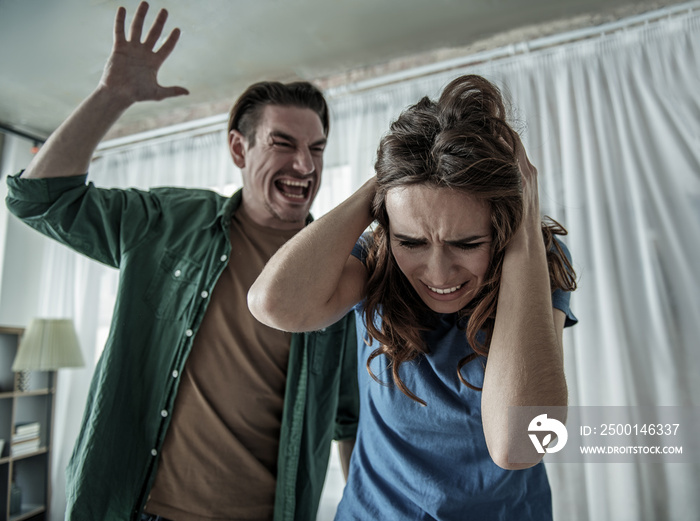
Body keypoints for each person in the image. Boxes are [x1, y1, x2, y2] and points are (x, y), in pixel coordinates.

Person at [5, 3, 358, 521]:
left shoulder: (338, 267)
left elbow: (347, 418)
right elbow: (39, 200)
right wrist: (113, 96)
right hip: (140, 510)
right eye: (283, 144)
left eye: (317, 149)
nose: (304, 165)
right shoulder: (168, 221)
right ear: (239, 149)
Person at [248, 74, 578, 520]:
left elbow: (520, 444)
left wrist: (523, 216)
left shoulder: (536, 255)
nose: (439, 274)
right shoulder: (376, 257)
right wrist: (387, 184)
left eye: (465, 244)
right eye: (413, 243)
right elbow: (272, 303)